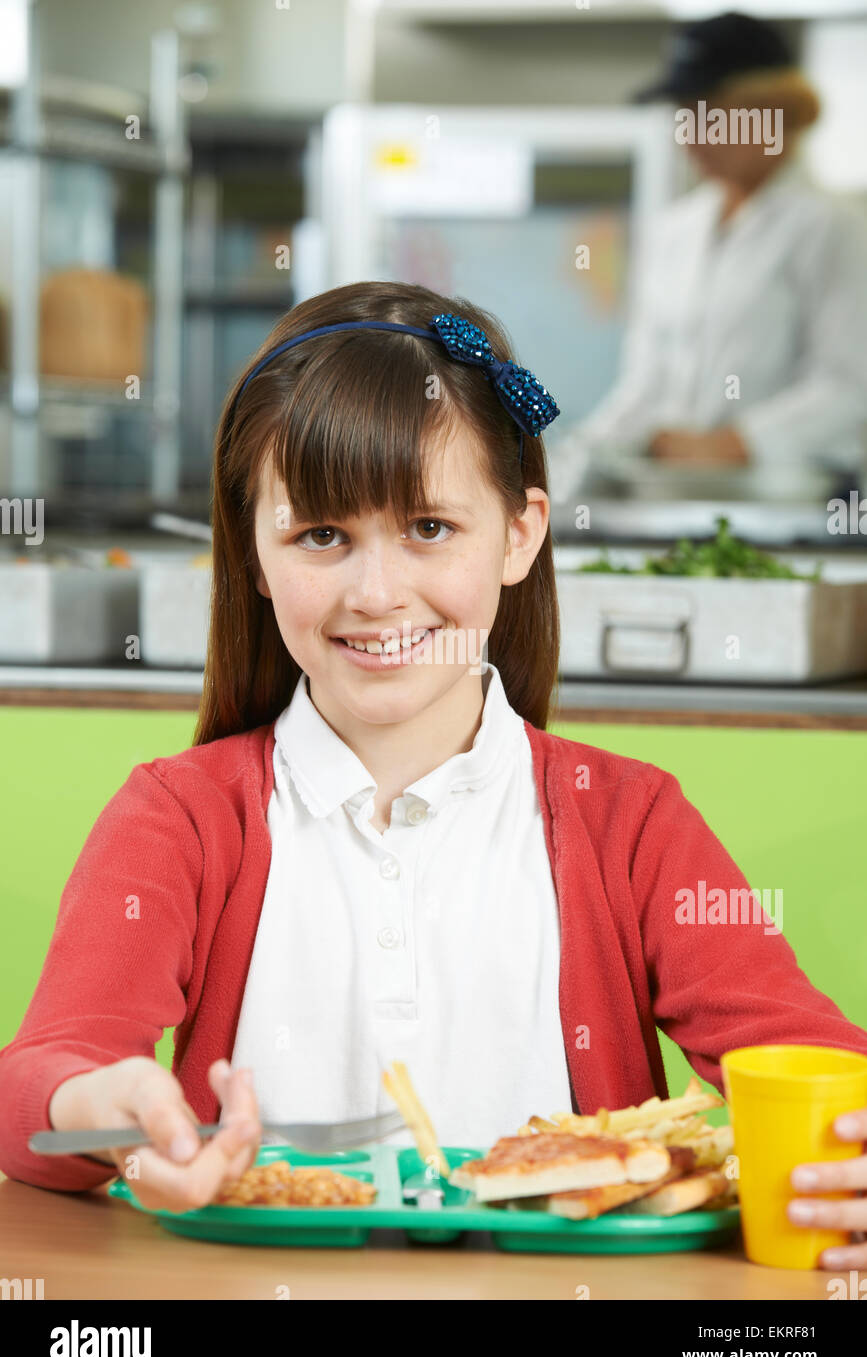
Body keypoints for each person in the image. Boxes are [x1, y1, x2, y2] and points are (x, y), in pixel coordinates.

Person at [1, 281, 866, 1269]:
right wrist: (102, 1105)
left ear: (521, 532)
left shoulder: (633, 822)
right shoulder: (178, 816)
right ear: (252, 547)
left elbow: (809, 1056)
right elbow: (39, 1081)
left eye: (428, 528)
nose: (376, 594)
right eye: (321, 535)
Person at [550, 11, 867, 503]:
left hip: (789, 504)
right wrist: (557, 470)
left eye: (707, 113)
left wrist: (735, 442)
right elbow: (644, 389)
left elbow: (848, 385)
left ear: (771, 113)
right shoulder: (675, 232)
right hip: (665, 502)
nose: (689, 136)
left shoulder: (834, 227)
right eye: (684, 114)